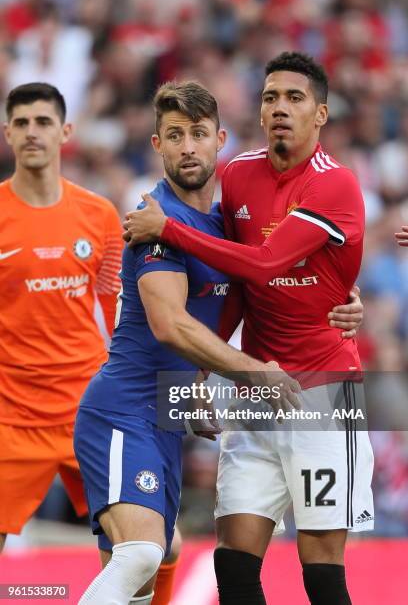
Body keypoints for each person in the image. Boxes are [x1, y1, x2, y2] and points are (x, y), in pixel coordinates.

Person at [122, 52, 372, 605]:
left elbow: (262, 263)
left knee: (321, 572)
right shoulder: (236, 176)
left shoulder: (337, 185)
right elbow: (236, 287)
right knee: (233, 564)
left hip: (324, 395)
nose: (280, 107)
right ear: (259, 111)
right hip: (256, 392)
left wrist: (167, 228)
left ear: (322, 114)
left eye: (295, 98)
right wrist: (203, 373)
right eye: (270, 97)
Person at [74, 80, 306, 605]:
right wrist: (253, 372)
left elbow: (284, 269)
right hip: (121, 411)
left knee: (147, 564)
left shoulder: (222, 226)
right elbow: (169, 325)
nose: (187, 147)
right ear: (156, 144)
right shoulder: (155, 223)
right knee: (141, 555)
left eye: (198, 133)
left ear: (219, 139)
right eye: (174, 135)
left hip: (162, 417)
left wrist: (347, 301)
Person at [0, 81, 182, 605]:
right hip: (13, 417)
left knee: (155, 548)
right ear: (8, 133)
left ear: (66, 131)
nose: (33, 132)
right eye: (23, 123)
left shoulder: (99, 215)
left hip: (90, 410)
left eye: (43, 122)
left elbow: (115, 315)